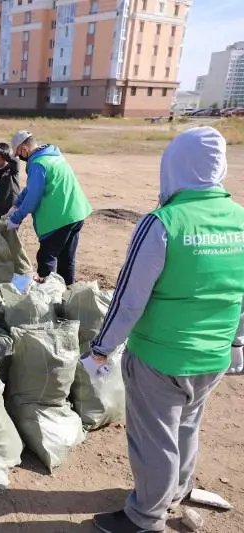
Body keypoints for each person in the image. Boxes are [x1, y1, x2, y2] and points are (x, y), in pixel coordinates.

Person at [87, 126, 244, 533]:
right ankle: (177, 490)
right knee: (188, 425)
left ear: (173, 167)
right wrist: (238, 344)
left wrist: (102, 347)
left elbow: (128, 298)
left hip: (161, 356)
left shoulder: (163, 222)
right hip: (213, 354)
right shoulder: (239, 219)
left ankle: (145, 518)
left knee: (155, 439)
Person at [7, 130, 92, 285]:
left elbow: (33, 197)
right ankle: (68, 294)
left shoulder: (38, 164)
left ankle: (48, 297)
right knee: (67, 258)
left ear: (24, 150)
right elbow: (32, 187)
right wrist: (17, 204)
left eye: (18, 154)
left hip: (58, 218)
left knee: (46, 257)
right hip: (76, 213)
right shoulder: (53, 155)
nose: (19, 157)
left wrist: (16, 218)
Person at [0, 142, 21, 219]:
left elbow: (15, 161)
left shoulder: (12, 169)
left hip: (11, 210)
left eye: (3, 159)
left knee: (9, 230)